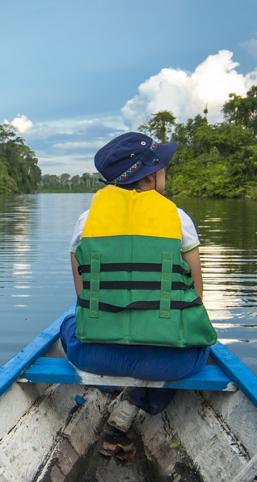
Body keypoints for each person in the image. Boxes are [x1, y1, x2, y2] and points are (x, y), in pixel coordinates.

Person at [61, 131, 217, 444]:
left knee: (68, 322)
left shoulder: (85, 222)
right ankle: (141, 399)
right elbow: (197, 296)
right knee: (200, 340)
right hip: (173, 362)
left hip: (94, 356)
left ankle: (116, 392)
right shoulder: (178, 218)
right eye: (161, 167)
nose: (165, 172)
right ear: (148, 178)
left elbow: (83, 296)